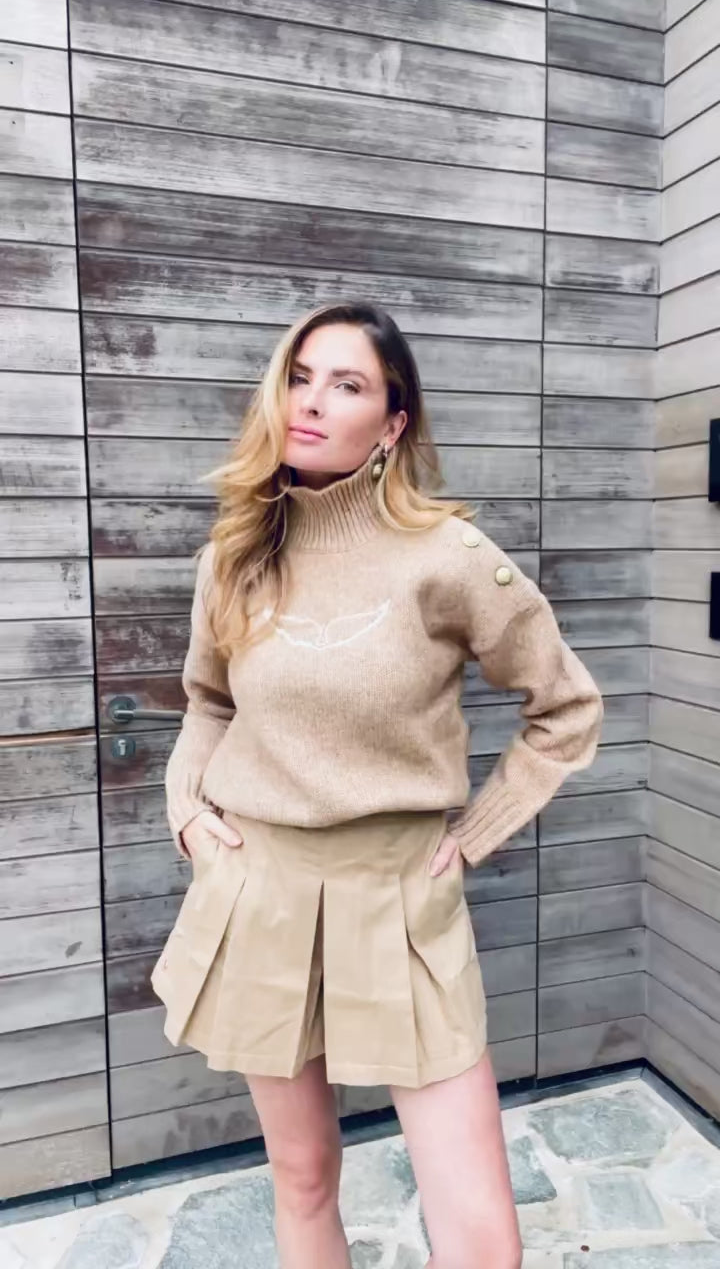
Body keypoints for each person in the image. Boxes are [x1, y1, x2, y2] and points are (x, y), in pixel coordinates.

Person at [151, 302, 603, 1269]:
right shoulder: (233, 556)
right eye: (299, 377)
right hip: (259, 894)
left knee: (482, 1239)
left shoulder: (450, 558)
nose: (311, 402)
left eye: (346, 384)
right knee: (304, 1180)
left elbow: (565, 709)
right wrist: (188, 812)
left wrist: (475, 833)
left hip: (399, 901)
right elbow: (207, 703)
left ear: (393, 423)